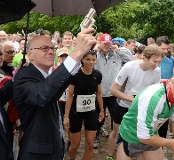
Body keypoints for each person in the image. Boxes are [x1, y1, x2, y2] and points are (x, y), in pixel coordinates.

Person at [13, 28, 96, 160]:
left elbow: (60, 83)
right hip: (38, 155)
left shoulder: (44, 74)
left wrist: (81, 54)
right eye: (44, 48)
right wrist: (77, 51)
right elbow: (45, 94)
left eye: (52, 48)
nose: (51, 51)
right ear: (30, 53)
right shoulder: (23, 76)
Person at [116, 68, 174, 160]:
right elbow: (143, 136)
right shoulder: (154, 97)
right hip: (130, 136)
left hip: (151, 136)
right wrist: (172, 143)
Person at [106, 45, 164, 160]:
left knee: (138, 135)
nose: (156, 65)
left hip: (141, 109)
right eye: (154, 61)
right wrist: (134, 100)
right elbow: (114, 90)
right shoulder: (130, 66)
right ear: (145, 57)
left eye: (159, 62)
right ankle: (109, 155)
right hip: (124, 106)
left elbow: (154, 92)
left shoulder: (156, 71)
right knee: (117, 132)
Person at [94, 33, 133, 148]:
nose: (106, 46)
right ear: (100, 43)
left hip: (113, 93)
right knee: (98, 116)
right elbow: (85, 59)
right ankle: (96, 136)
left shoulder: (117, 55)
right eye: (104, 43)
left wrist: (119, 49)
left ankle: (116, 138)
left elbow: (130, 58)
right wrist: (95, 48)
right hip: (99, 92)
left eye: (108, 43)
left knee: (116, 117)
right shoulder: (95, 55)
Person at [64, 50, 104, 160]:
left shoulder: (97, 75)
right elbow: (70, 96)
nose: (91, 62)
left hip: (91, 111)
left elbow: (99, 93)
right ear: (82, 59)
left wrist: (102, 110)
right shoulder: (75, 75)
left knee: (90, 144)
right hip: (76, 112)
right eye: (88, 59)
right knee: (75, 145)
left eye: (93, 60)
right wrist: (66, 116)